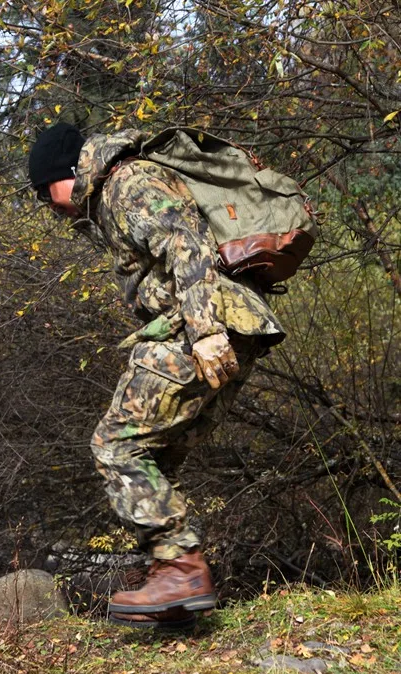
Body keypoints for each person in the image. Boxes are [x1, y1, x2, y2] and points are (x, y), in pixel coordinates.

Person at [28, 122, 286, 628]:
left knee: (116, 445)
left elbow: (185, 242)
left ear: (67, 173)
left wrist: (205, 331)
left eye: (44, 191)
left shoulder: (125, 183)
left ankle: (180, 571)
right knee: (156, 458)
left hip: (204, 324)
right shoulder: (112, 194)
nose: (47, 205)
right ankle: (176, 599)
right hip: (230, 324)